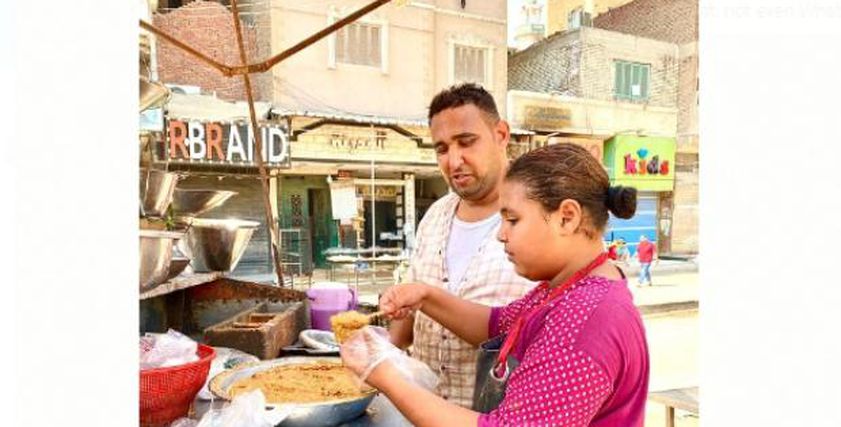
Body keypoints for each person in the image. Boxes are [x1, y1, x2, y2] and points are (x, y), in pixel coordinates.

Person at [342, 143, 650, 426]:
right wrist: (426, 296)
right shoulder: (564, 289)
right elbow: (496, 325)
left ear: (567, 218)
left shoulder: (585, 319)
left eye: (512, 220)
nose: (501, 234)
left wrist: (381, 373)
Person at [388, 83, 536, 407]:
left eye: (466, 142)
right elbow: (405, 324)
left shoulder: (539, 219)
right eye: (441, 149)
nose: (454, 161)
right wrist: (384, 339)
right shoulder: (435, 215)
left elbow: (527, 331)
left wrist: (427, 297)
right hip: (422, 413)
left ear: (501, 134)